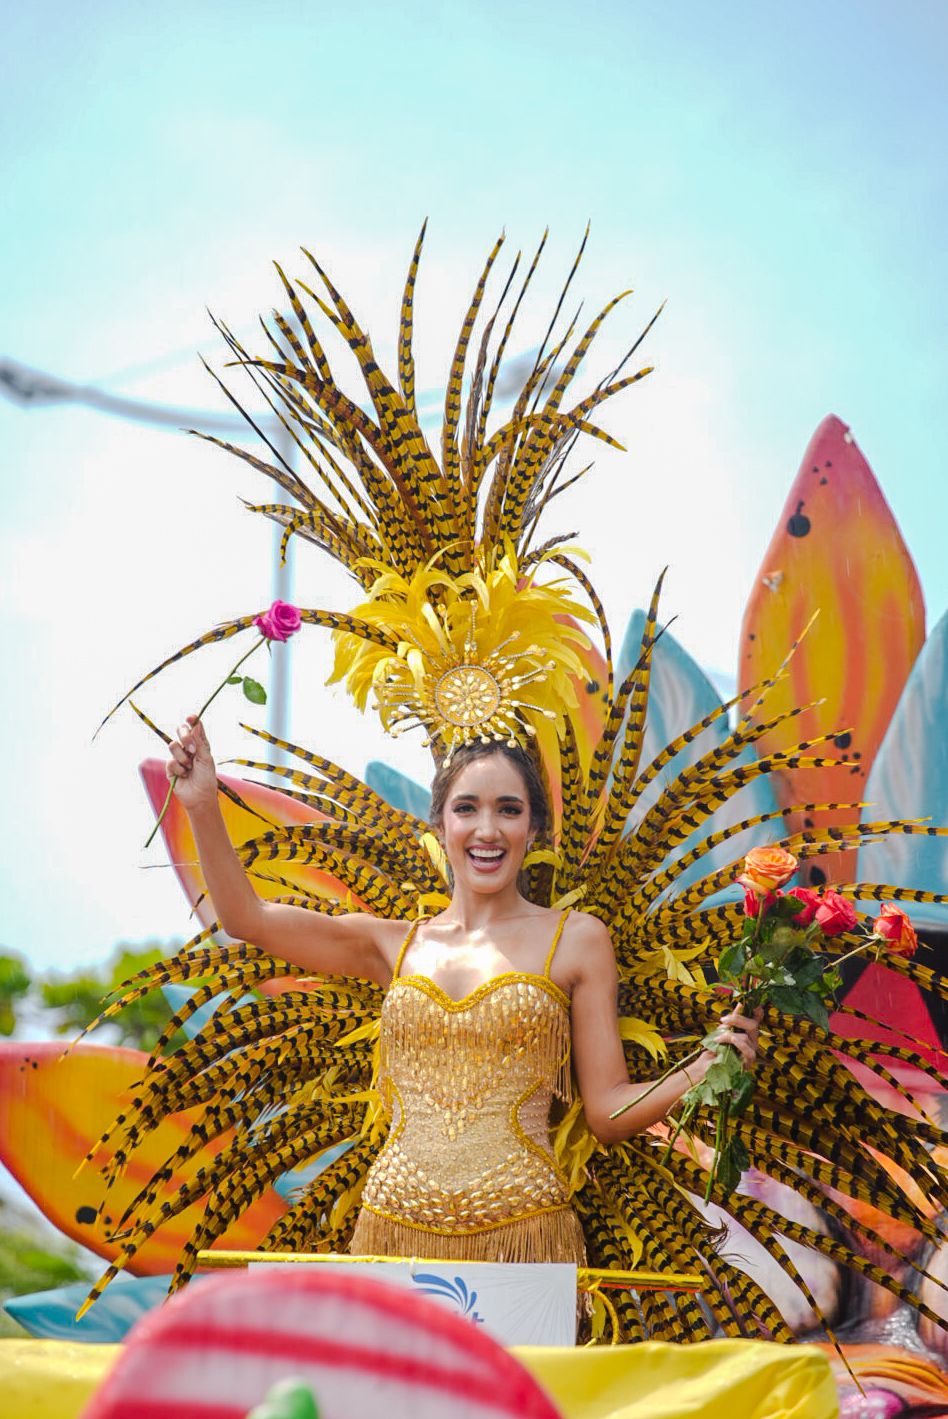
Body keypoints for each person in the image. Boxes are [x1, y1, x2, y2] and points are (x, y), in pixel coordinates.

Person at [164, 715, 761, 1267]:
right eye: (467, 808)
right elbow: (246, 918)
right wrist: (201, 805)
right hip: (393, 1229)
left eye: (508, 810)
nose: (487, 829)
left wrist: (703, 1070)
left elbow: (606, 1112)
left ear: (533, 829)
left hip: (524, 1234)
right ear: (440, 824)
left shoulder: (576, 940)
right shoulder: (391, 945)